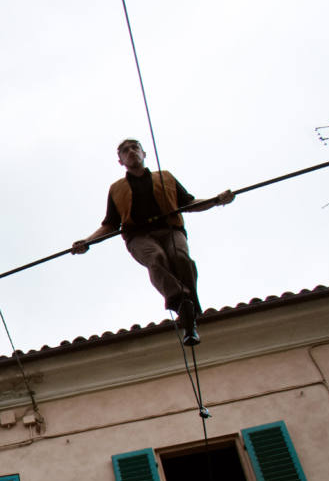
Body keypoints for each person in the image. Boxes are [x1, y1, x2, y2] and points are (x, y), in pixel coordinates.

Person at [72, 138, 235, 346]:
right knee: (156, 258)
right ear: (120, 161)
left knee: (180, 257)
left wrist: (215, 200)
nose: (131, 152)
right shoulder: (116, 189)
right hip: (139, 237)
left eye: (135, 148)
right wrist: (87, 241)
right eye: (125, 151)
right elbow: (110, 225)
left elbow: (189, 203)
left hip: (170, 230)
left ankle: (189, 311)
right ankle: (181, 302)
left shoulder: (165, 177)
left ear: (144, 153)